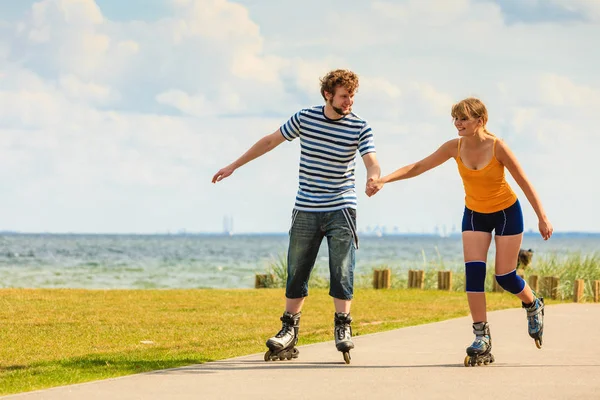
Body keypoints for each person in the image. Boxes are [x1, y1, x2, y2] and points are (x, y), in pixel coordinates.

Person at [367, 97, 552, 366]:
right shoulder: (455, 147)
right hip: (475, 215)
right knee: (474, 275)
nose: (457, 123)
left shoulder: (498, 147)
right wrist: (384, 179)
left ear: (481, 120)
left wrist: (542, 218)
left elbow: (524, 182)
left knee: (505, 276)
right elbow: (419, 166)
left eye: (463, 118)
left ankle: (533, 303)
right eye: (455, 118)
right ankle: (481, 336)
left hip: (506, 214)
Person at [212, 69, 380, 364]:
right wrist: (234, 165)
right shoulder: (305, 118)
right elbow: (269, 142)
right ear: (328, 95)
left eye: (352, 95)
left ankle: (343, 324)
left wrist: (373, 177)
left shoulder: (360, 126)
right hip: (306, 207)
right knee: (297, 268)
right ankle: (289, 329)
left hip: (342, 206)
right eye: (344, 95)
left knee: (342, 267)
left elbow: (371, 160)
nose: (350, 101)